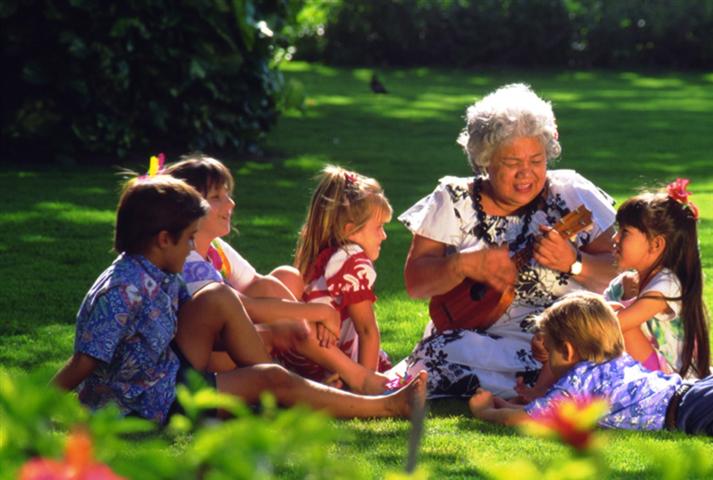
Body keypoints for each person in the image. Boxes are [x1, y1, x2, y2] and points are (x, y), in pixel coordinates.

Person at [52, 175, 427, 423]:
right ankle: (383, 405)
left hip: (165, 369)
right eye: (189, 240)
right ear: (163, 239)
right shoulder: (121, 290)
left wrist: (270, 334)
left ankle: (274, 385)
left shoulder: (156, 270)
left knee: (217, 296)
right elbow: (85, 360)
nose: (195, 250)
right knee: (271, 378)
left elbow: (215, 314)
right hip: (149, 399)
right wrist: (36, 411)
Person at [387, 83, 618, 399]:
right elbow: (416, 283)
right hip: (480, 340)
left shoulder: (572, 194)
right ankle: (562, 386)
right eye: (512, 164)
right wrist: (462, 264)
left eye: (536, 161)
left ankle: (543, 382)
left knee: (596, 341)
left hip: (564, 337)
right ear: (486, 160)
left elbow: (621, 273)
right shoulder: (454, 200)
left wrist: (575, 263)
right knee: (444, 351)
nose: (526, 174)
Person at [165, 157, 389, 394]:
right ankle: (346, 377)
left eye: (227, 194)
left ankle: (313, 370)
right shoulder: (186, 260)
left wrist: (309, 323)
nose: (230, 203)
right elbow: (247, 307)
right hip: (203, 360)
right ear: (189, 208)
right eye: (216, 197)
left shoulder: (214, 247)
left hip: (229, 345)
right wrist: (318, 313)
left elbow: (258, 285)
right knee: (283, 329)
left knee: (284, 277)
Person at [468, 292, 713, 436]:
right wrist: (504, 405)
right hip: (694, 391)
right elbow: (542, 409)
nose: (549, 361)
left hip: (688, 411)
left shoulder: (579, 379)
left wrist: (485, 412)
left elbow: (526, 420)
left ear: (567, 350)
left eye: (550, 351)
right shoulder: (613, 362)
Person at [282, 165, 393, 384]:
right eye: (378, 227)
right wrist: (366, 381)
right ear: (348, 230)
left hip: (301, 361)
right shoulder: (353, 260)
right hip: (324, 359)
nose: (384, 236)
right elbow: (367, 330)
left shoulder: (321, 257)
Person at [604, 178, 709, 378]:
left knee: (615, 324)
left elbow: (615, 326)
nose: (615, 238)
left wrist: (566, 334)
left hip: (671, 388)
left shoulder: (667, 284)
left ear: (656, 244)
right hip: (638, 375)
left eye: (625, 232)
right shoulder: (622, 284)